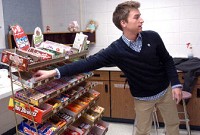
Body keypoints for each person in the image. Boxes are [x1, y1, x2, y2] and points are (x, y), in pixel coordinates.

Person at [33, 1, 182, 135]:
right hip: (142, 98)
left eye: (140, 16)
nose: (141, 20)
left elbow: (167, 60)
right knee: (142, 131)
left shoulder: (153, 37)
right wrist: (53, 72)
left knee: (173, 124)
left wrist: (175, 84)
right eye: (136, 17)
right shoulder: (116, 50)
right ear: (123, 23)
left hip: (165, 91)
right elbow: (88, 63)